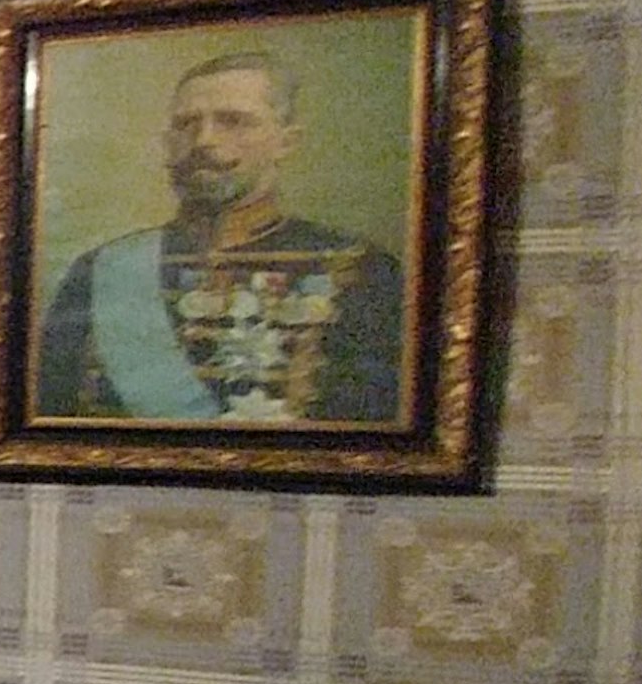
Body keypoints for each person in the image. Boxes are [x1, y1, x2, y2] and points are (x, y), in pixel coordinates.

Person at [34, 51, 408, 423]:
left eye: (234, 121)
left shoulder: (357, 269)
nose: (203, 141)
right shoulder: (100, 269)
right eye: (186, 125)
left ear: (286, 142)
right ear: (167, 143)